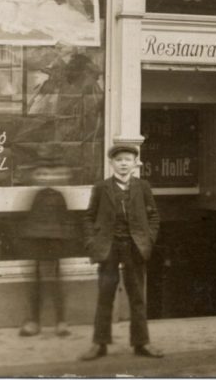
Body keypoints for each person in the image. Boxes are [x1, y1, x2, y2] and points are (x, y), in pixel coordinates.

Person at [80, 143, 162, 361]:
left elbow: (153, 216)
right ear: (111, 163)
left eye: (128, 159)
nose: (123, 164)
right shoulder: (101, 187)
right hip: (108, 247)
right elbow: (89, 216)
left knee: (137, 297)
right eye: (119, 160)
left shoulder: (142, 186)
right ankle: (100, 344)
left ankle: (141, 343)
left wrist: (149, 239)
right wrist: (92, 241)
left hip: (135, 247)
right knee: (105, 295)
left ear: (135, 163)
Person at [17, 158, 75, 337]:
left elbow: (65, 220)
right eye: (41, 174)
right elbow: (29, 220)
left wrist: (63, 240)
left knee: (55, 282)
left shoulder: (59, 196)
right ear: (35, 176)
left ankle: (61, 322)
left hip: (54, 243)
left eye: (49, 174)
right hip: (36, 242)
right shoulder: (35, 196)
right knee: (35, 283)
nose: (45, 178)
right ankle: (34, 322)